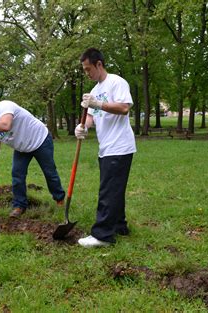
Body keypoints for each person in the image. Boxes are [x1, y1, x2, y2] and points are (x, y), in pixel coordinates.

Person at [75, 48, 136, 248]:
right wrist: (83, 127)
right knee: (114, 189)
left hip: (119, 146)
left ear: (99, 64)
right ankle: (119, 226)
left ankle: (102, 235)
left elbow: (124, 108)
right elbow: (91, 116)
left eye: (88, 69)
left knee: (108, 191)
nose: (87, 73)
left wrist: (98, 103)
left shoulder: (116, 82)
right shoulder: (94, 90)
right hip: (106, 147)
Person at [0, 99, 65, 218]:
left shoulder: (5, 106)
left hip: (40, 140)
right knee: (17, 175)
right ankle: (19, 206)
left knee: (49, 172)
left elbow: (6, 125)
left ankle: (59, 199)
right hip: (22, 148)